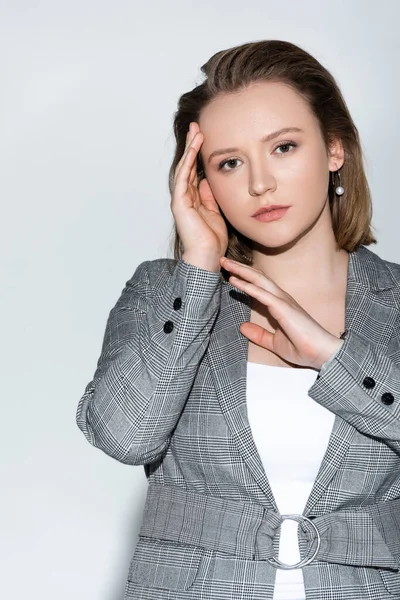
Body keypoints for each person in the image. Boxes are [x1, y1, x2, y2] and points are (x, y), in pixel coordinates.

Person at [76, 39, 400, 600]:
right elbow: (124, 434)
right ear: (201, 182)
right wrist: (198, 270)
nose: (258, 184)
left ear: (334, 149)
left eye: (283, 148)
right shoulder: (163, 292)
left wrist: (333, 356)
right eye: (229, 162)